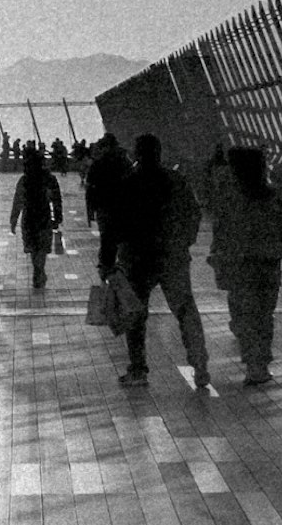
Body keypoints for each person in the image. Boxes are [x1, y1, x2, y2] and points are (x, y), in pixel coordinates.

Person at [109, 132, 207, 389]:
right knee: (185, 310)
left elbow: (114, 223)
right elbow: (193, 214)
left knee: (136, 315)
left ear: (136, 154)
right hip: (173, 257)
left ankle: (138, 369)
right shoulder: (177, 180)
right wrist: (185, 241)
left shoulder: (128, 183)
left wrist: (108, 258)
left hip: (138, 258)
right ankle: (199, 364)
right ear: (160, 153)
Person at [205, 143, 282, 389]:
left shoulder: (230, 198)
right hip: (269, 265)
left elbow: (221, 230)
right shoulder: (277, 197)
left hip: (239, 265)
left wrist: (218, 256)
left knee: (243, 315)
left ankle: (251, 360)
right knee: (263, 316)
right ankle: (260, 365)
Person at [11, 142, 64, 291]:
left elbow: (18, 200)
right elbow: (57, 199)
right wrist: (58, 217)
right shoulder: (49, 179)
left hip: (29, 218)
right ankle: (39, 270)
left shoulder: (24, 180)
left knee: (34, 247)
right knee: (42, 246)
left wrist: (13, 220)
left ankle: (38, 270)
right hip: (44, 216)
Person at [80, 134, 131, 279]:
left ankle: (106, 268)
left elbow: (90, 188)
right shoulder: (124, 162)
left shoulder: (99, 163)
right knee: (122, 238)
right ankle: (120, 267)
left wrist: (90, 210)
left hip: (105, 207)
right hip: (123, 207)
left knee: (107, 239)